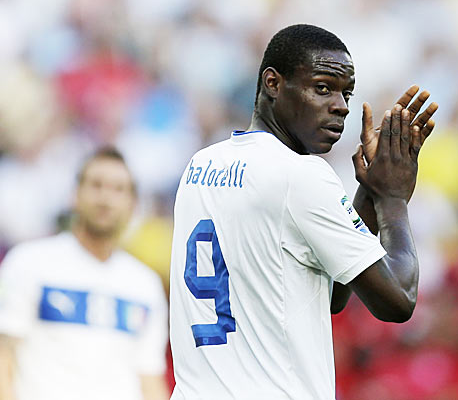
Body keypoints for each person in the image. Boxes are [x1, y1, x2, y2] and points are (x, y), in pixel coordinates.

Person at [169, 24, 438, 399]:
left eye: (346, 93)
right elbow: (398, 299)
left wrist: (368, 194)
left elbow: (329, 294)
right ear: (273, 83)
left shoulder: (200, 166)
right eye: (323, 88)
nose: (342, 106)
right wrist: (392, 199)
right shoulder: (301, 175)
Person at [0, 147, 170, 400]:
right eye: (96, 185)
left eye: (118, 189)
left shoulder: (145, 285)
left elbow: (150, 378)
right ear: (75, 195)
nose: (106, 198)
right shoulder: (28, 262)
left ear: (133, 205)